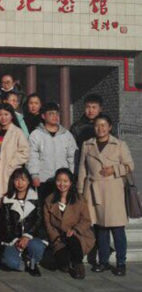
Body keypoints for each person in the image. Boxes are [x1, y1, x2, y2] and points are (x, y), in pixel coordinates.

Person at [78, 114, 133, 276]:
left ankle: (121, 263)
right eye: (97, 125)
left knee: (117, 229)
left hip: (114, 192)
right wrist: (80, 191)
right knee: (100, 229)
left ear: (110, 127)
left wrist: (114, 170)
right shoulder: (87, 145)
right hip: (94, 191)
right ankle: (103, 261)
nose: (100, 128)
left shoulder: (119, 144)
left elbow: (129, 165)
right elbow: (82, 170)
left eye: (103, 125)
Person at [44, 168, 95, 279]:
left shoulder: (79, 199)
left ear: (71, 182)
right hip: (59, 237)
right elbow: (47, 223)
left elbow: (86, 220)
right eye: (59, 181)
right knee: (63, 265)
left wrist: (75, 230)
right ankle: (67, 260)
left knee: (72, 240)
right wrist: (55, 237)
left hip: (78, 235)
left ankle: (78, 266)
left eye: (65, 181)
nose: (62, 184)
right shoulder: (49, 200)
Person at [0, 168, 46, 277]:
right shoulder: (7, 199)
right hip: (14, 239)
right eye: (17, 180)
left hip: (31, 237)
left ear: (29, 181)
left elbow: (38, 220)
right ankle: (25, 265)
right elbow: (6, 224)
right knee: (10, 262)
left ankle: (32, 262)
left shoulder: (36, 197)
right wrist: (16, 240)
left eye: (23, 180)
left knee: (37, 247)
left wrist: (27, 236)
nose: (20, 183)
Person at [28, 102, 77, 199]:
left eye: (56, 113)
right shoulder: (36, 135)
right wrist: (34, 175)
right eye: (51, 114)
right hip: (43, 180)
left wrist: (71, 175)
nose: (55, 116)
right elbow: (32, 157)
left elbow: (72, 156)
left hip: (63, 181)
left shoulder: (66, 134)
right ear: (43, 116)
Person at [0, 103, 31, 208]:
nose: (3, 117)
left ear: (12, 116)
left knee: (10, 201)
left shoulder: (17, 132)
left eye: (6, 114)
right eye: (0, 115)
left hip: (10, 171)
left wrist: (11, 164)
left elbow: (25, 152)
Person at [70, 94, 104, 174]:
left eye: (94, 107)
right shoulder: (76, 127)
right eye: (88, 107)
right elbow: (72, 150)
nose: (90, 111)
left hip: (103, 166)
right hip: (83, 166)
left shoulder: (105, 125)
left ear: (100, 109)